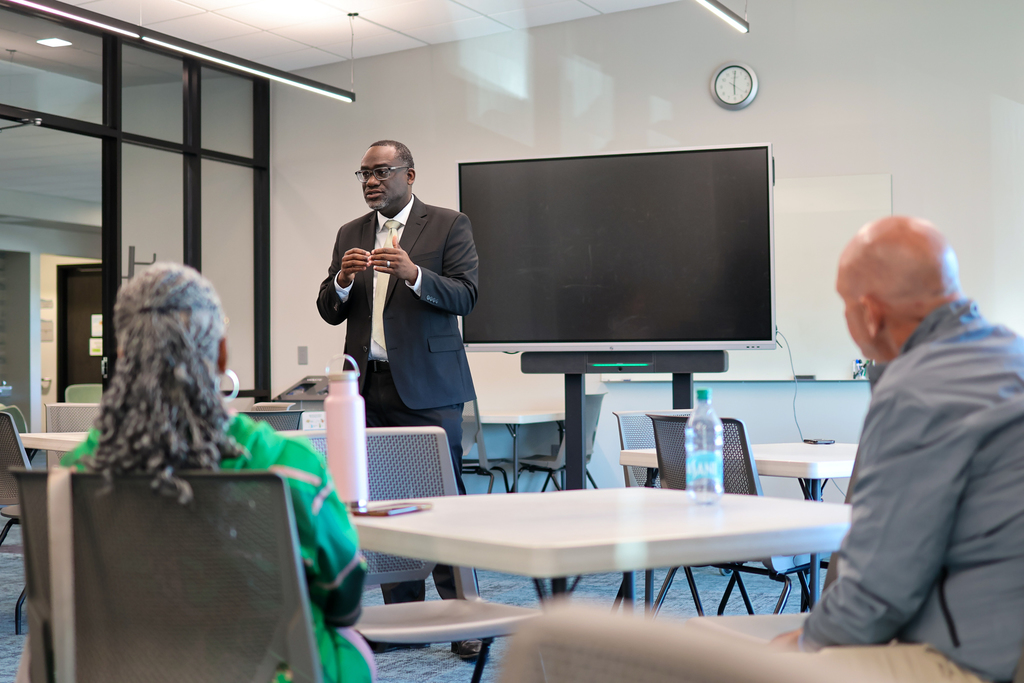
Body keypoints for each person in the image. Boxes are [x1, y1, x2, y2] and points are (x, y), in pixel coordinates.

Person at [60, 263, 374, 683]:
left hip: (122, 670)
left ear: (122, 354)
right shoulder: (287, 467)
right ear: (221, 353)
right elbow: (344, 600)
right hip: (270, 672)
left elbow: (68, 600)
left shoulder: (77, 474)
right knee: (352, 647)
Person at [769, 216, 1024, 682]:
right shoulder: (1012, 354)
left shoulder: (915, 391)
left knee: (740, 666)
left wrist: (804, 642)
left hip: (983, 659)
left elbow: (879, 592)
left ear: (870, 313)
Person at [316, 141, 481, 660]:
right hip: (369, 386)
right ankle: (400, 619)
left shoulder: (449, 224)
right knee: (384, 503)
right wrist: (341, 280)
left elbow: (466, 294)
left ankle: (465, 619)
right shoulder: (351, 232)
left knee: (443, 502)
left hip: (430, 386)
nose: (370, 180)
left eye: (381, 171)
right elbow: (329, 309)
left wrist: (413, 274)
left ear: (410, 175)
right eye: (363, 173)